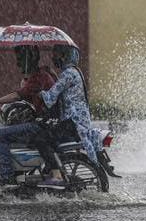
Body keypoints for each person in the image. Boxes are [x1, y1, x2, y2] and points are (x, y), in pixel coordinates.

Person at [0, 45, 55, 185]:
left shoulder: (39, 77)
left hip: (41, 124)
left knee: (0, 135)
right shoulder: (38, 76)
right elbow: (21, 103)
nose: (18, 63)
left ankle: (7, 177)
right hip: (43, 122)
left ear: (30, 58)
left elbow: (17, 96)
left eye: (21, 58)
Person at [34, 44, 102, 189]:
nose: (53, 58)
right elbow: (62, 87)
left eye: (56, 55)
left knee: (40, 138)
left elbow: (51, 97)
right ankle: (53, 168)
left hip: (73, 122)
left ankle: (56, 175)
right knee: (50, 135)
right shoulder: (75, 71)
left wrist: (38, 91)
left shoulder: (68, 74)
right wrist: (53, 74)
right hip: (79, 122)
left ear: (64, 56)